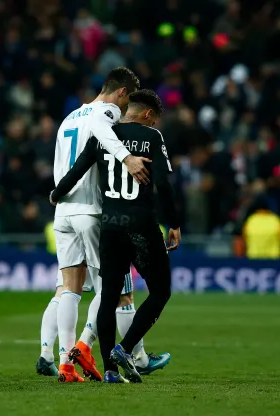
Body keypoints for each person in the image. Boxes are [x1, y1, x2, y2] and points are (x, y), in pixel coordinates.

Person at [50, 90, 181, 383]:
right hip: (141, 226)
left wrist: (57, 193)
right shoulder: (152, 137)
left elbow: (78, 170)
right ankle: (126, 348)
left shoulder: (105, 136)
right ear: (148, 115)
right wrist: (173, 223)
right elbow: (163, 184)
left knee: (107, 296)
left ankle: (109, 370)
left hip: (109, 226)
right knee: (160, 291)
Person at [36, 267, 172, 378]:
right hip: (104, 235)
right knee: (115, 288)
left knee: (66, 288)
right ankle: (139, 358)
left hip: (68, 233)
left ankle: (54, 358)